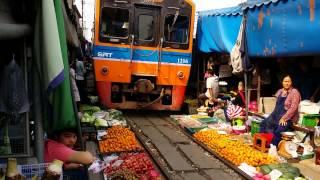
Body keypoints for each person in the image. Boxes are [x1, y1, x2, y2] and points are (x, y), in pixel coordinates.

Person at [260, 75, 301, 146]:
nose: (287, 83)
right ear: (282, 82)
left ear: (291, 82)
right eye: (285, 81)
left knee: (278, 131)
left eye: (289, 81)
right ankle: (263, 143)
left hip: (287, 117)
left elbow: (293, 108)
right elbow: (276, 105)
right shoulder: (280, 91)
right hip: (276, 115)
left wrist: (284, 118)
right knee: (263, 123)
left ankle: (272, 146)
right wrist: (271, 115)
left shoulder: (295, 92)